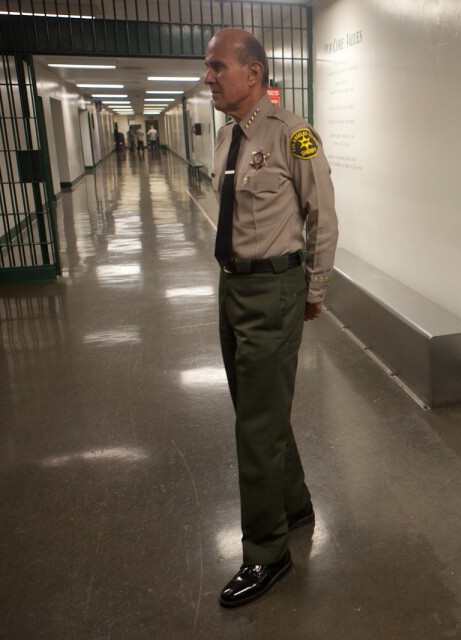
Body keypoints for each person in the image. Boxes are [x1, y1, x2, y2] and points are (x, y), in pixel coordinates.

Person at [204, 28, 338, 608]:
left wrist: (316, 288)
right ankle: (296, 503)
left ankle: (267, 551)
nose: (207, 77)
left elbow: (323, 216)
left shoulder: (295, 136)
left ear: (253, 73)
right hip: (232, 287)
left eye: (216, 67)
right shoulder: (226, 135)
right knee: (256, 409)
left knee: (254, 424)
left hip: (275, 290)